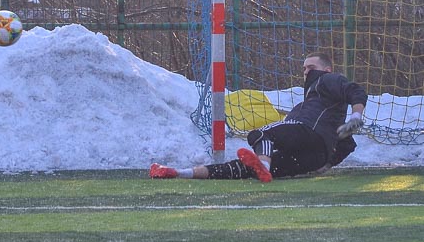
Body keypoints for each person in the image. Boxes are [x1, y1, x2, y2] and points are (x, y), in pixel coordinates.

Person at [150, 52, 367, 182]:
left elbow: (355, 91)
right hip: (312, 157)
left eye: (311, 67)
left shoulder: (326, 81)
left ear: (326, 70)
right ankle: (179, 172)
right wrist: (325, 164)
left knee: (261, 133)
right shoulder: (316, 108)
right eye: (303, 68)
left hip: (308, 135)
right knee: (246, 169)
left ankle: (263, 166)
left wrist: (356, 115)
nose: (306, 72)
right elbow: (347, 144)